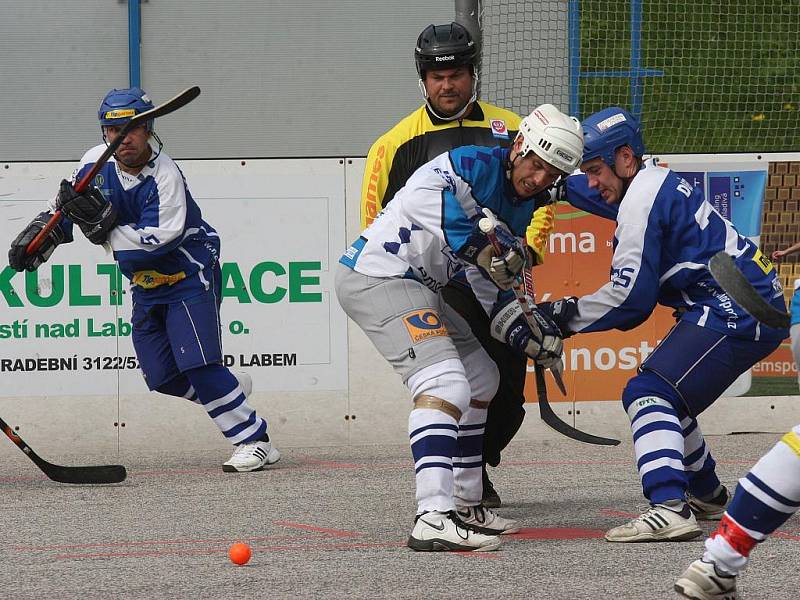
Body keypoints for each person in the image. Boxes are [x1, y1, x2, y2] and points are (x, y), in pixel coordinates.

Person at [338, 103, 584, 551]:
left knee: (481, 376)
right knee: (444, 381)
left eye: (551, 174)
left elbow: (494, 283)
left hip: (420, 286)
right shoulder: (472, 161)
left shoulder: (521, 204)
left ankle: (467, 502)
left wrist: (526, 330)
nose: (538, 178)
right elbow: (429, 196)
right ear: (520, 146)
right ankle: (432, 515)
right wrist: (482, 249)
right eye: (535, 163)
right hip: (380, 276)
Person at [539, 107, 789, 543]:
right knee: (668, 394)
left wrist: (560, 317)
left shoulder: (638, 202)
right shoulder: (647, 181)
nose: (592, 182)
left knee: (648, 391)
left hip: (737, 305)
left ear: (625, 159)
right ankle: (708, 493)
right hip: (744, 298)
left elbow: (630, 300)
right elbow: (594, 192)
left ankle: (670, 507)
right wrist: (554, 185)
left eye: (596, 170)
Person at [7, 87, 280, 473]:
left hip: (188, 274)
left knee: (199, 364)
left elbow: (154, 243)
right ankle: (227, 388)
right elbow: (65, 207)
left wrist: (102, 227)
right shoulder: (92, 162)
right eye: (112, 130)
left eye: (131, 129)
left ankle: (254, 440)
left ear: (149, 128)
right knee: (162, 375)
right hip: (146, 285)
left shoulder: (166, 176)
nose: (121, 139)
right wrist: (41, 237)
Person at [361, 21, 556, 508]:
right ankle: (452, 488)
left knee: (508, 390)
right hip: (440, 282)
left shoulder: (514, 130)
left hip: (500, 276)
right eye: (435, 75)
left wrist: (524, 253)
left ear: (473, 74)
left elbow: (543, 200)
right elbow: (374, 220)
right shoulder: (393, 144)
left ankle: (476, 466)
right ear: (423, 78)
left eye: (457, 74)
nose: (446, 85)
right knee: (463, 377)